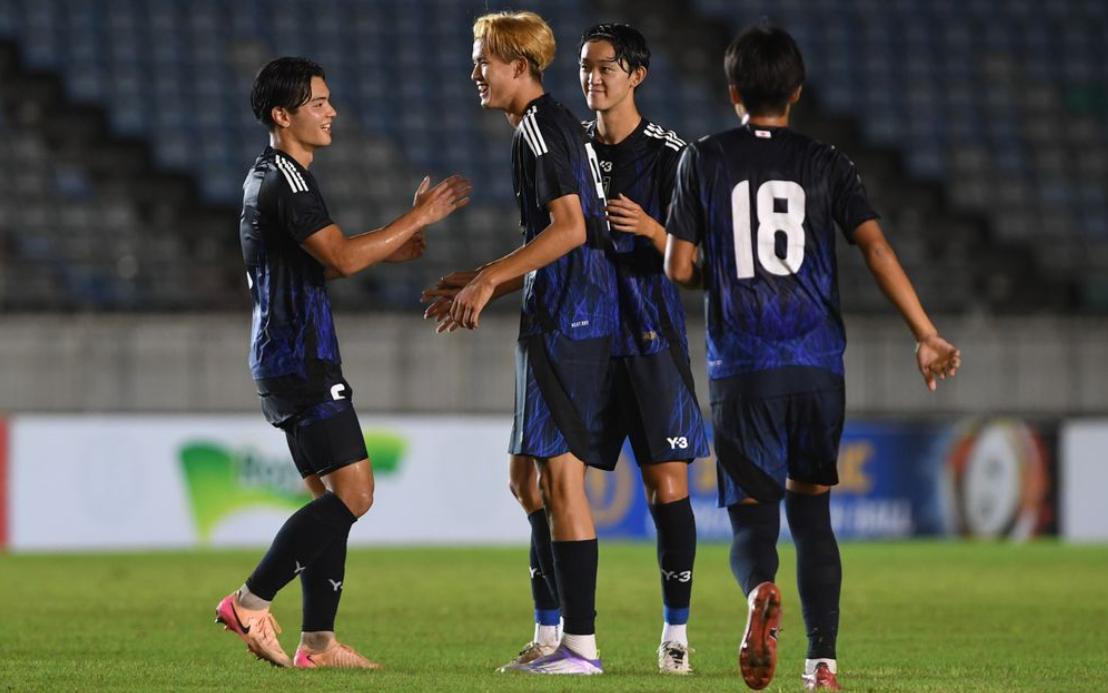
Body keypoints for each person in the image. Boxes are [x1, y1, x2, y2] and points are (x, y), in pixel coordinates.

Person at [665, 26, 961, 691]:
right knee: (813, 515)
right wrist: (926, 333)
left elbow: (679, 266)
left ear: (733, 91)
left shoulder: (703, 159)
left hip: (743, 367)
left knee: (752, 517)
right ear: (797, 92)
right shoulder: (828, 162)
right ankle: (821, 665)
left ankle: (758, 593)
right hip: (817, 365)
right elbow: (876, 248)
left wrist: (723, 273)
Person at [215, 56, 470, 670]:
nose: (331, 112)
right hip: (301, 357)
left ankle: (319, 644)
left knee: (332, 502)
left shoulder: (268, 176)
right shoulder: (288, 180)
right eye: (318, 103)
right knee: (355, 494)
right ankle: (249, 601)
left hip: (281, 357)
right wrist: (418, 216)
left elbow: (318, 264)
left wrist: (389, 247)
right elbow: (343, 258)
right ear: (283, 115)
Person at [424, 10, 616, 675]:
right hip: (556, 312)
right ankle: (549, 632)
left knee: (560, 478)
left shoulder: (541, 127)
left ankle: (581, 648)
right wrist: (488, 278)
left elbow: (571, 230)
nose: (474, 70)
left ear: (518, 65)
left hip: (573, 318)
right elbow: (559, 236)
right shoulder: (544, 126)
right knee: (525, 479)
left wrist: (489, 279)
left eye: (484, 59)